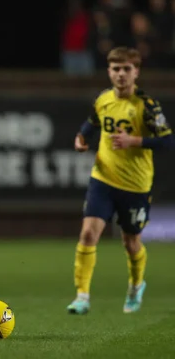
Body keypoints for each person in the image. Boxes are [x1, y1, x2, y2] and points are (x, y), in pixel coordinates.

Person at [68, 47, 174, 315]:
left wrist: (135, 141)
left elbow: (168, 141)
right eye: (116, 69)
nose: (121, 74)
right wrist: (81, 139)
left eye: (126, 69)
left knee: (130, 242)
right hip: (103, 179)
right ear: (109, 71)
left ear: (136, 72)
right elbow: (90, 124)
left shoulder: (146, 106)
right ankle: (82, 296)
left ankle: (136, 285)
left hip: (135, 186)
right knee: (88, 234)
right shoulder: (103, 99)